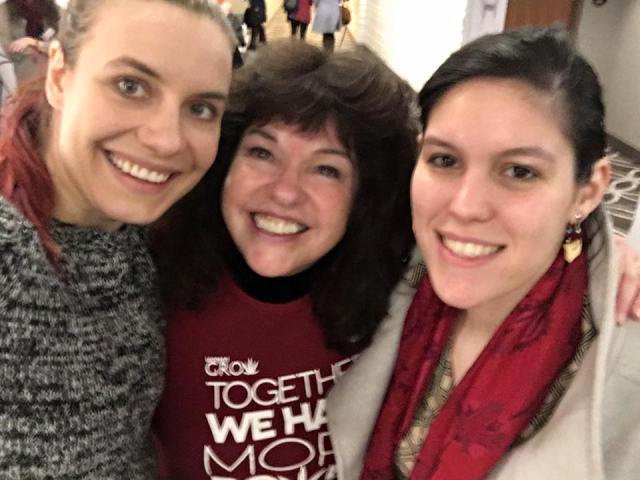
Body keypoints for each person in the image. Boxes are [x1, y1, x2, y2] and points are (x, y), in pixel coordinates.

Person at [348, 27, 640, 480]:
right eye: (444, 160)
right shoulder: (391, 270)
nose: (464, 206)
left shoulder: (626, 374)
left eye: (520, 171)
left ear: (589, 191)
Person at [151, 39, 420, 479]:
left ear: (362, 198)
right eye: (262, 153)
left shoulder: (400, 301)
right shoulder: (151, 286)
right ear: (223, 164)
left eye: (326, 168)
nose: (285, 192)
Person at [0, 0, 234, 477]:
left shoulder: (150, 235)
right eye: (131, 86)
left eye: (201, 108)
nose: (167, 140)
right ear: (60, 75)